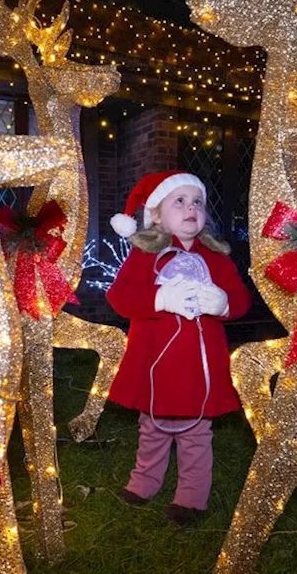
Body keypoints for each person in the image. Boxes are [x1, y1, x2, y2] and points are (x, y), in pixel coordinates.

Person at [105, 170, 252, 527]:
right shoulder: (144, 256)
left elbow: (241, 299)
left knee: (195, 433)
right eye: (180, 201)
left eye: (197, 202)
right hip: (154, 360)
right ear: (156, 213)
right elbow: (120, 297)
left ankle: (191, 496)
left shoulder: (217, 259)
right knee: (152, 427)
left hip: (198, 366)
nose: (191, 208)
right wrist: (158, 298)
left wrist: (223, 304)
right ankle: (144, 483)